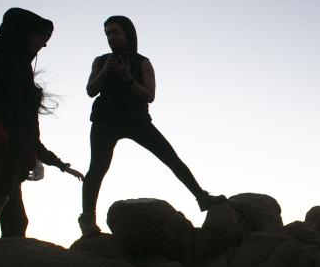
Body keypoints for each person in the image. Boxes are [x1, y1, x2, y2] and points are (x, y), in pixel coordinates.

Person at [78, 16, 225, 236]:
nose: (111, 37)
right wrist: (105, 72)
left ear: (128, 34)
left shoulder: (142, 62)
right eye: (108, 33)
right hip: (105, 120)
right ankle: (87, 220)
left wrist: (127, 77)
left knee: (170, 157)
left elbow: (149, 95)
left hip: (136, 119)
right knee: (97, 168)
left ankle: (202, 197)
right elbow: (91, 90)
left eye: (116, 32)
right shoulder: (100, 61)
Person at [0, 8, 79, 243]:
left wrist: (33, 153)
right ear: (23, 30)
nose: (44, 43)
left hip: (11, 152)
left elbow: (27, 119)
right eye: (41, 35)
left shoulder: (24, 70)